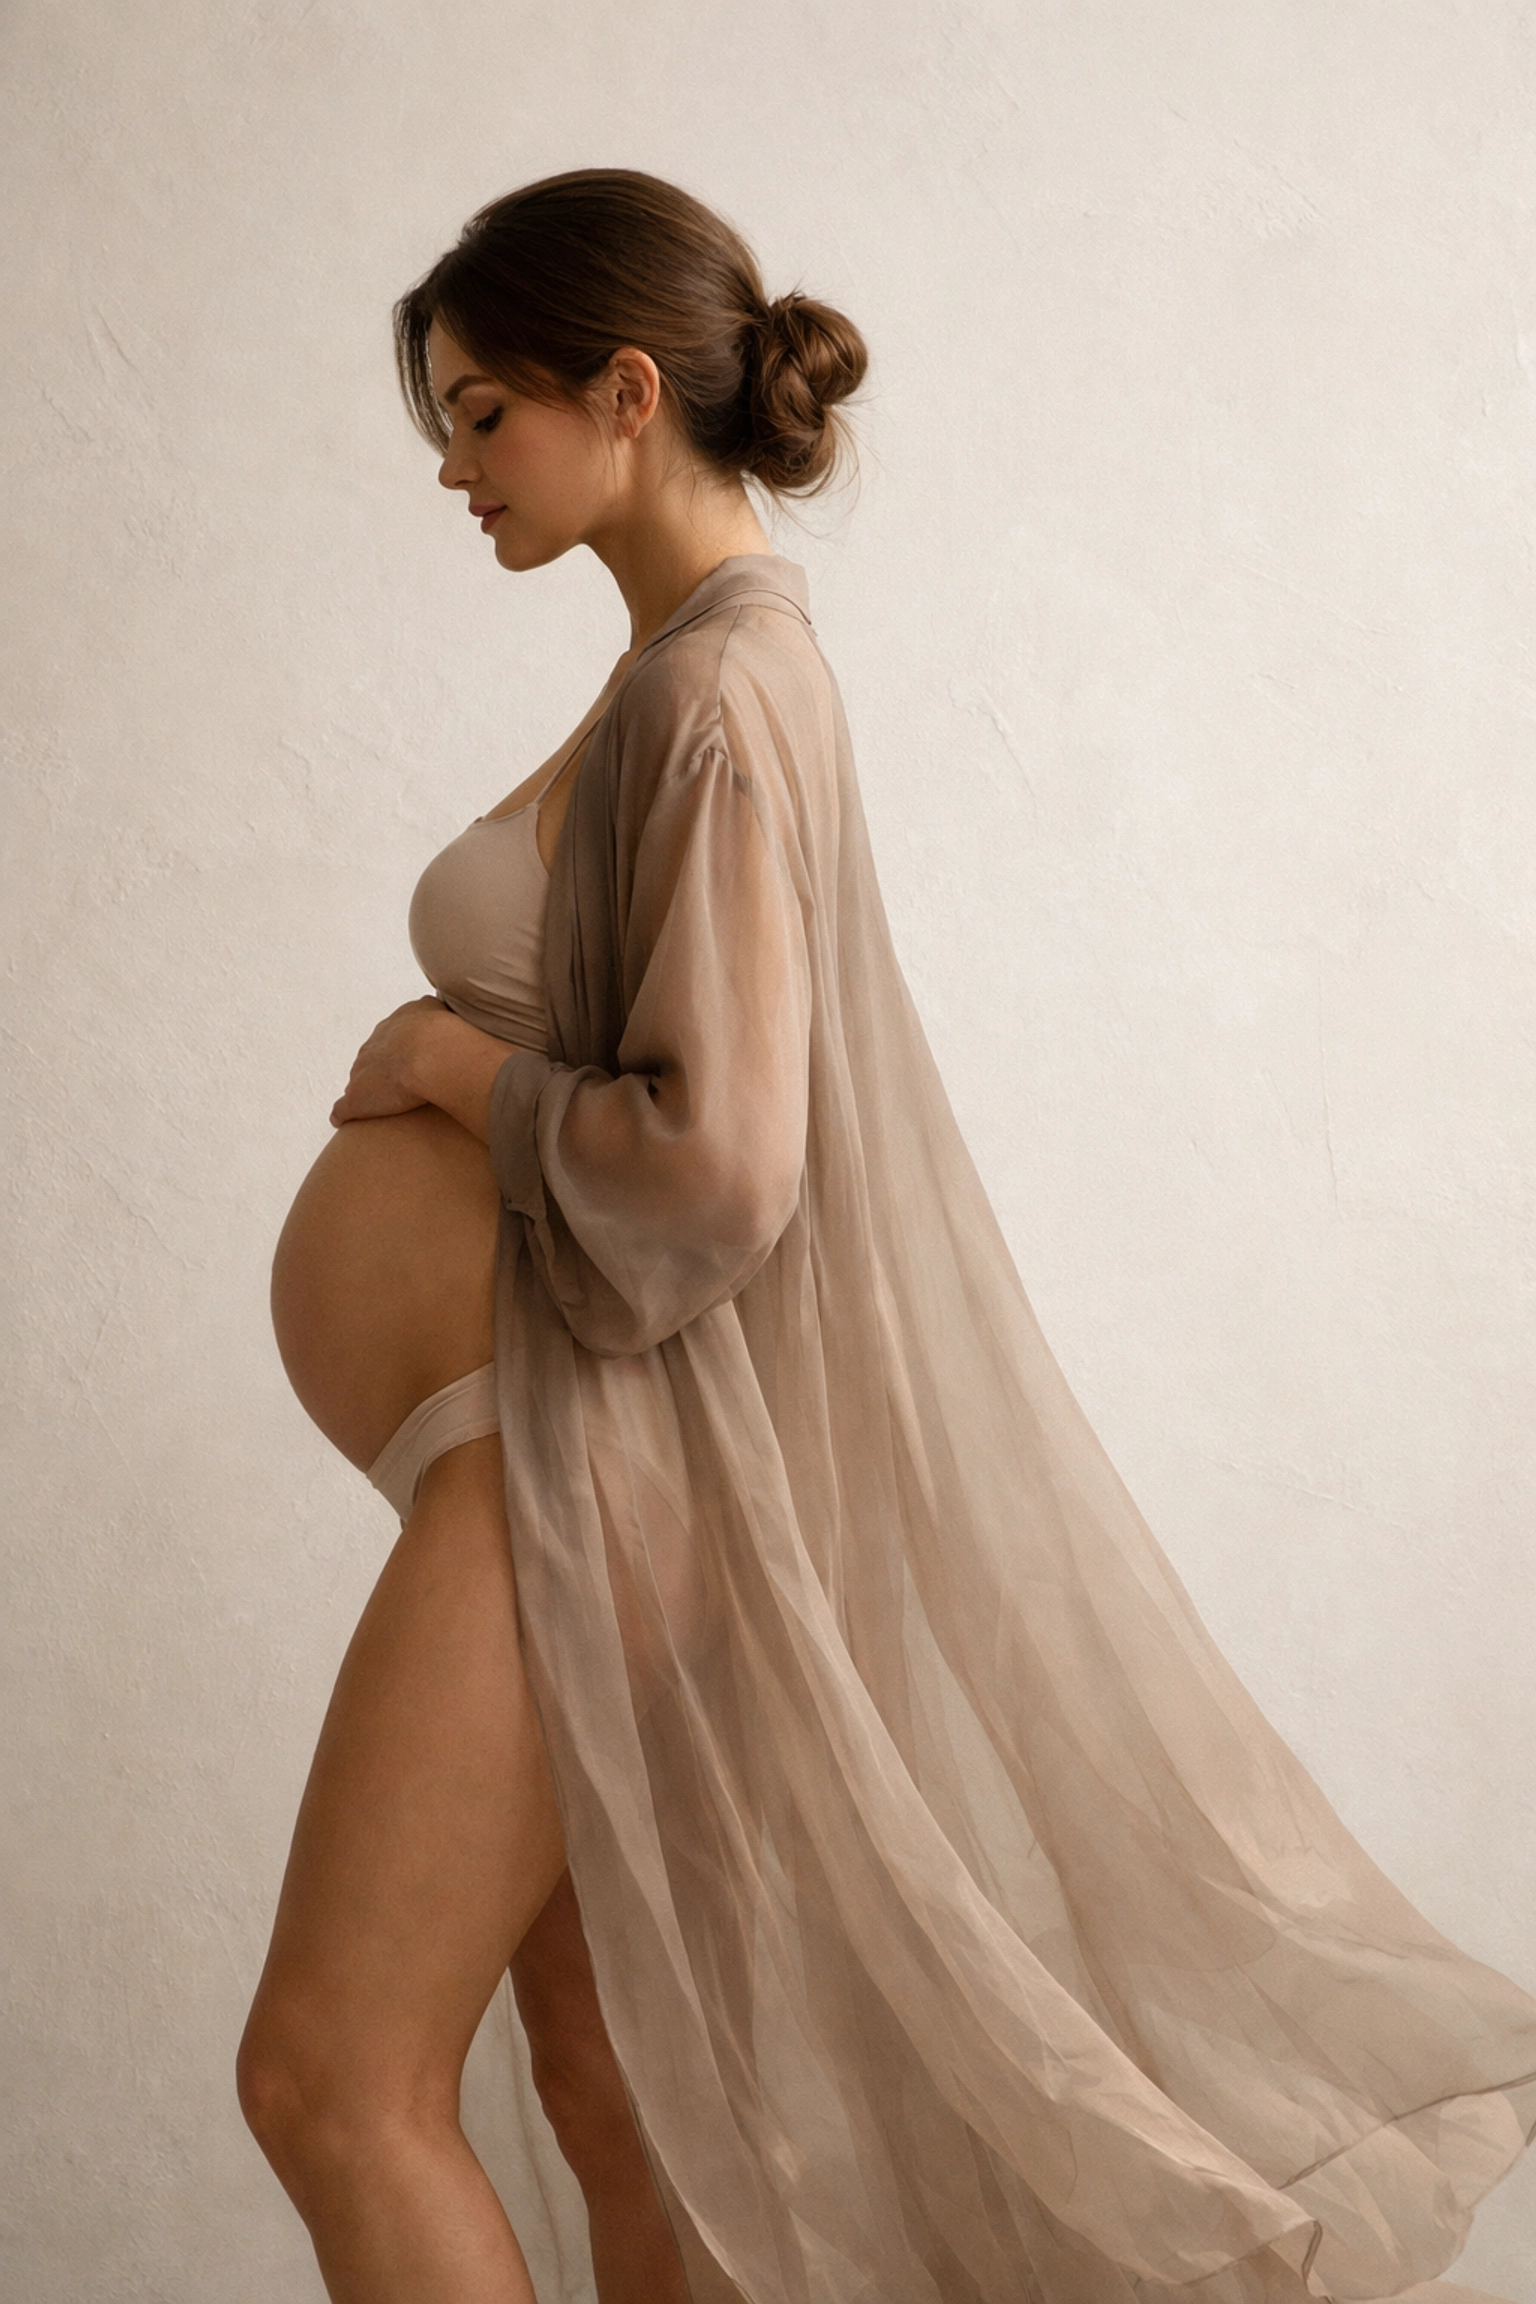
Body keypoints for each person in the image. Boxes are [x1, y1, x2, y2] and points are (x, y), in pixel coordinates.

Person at [237, 169, 1536, 2304]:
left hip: (577, 1465)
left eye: (480, 414)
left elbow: (723, 1169)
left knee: (332, 2082)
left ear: (624, 391)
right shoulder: (693, 667)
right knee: (619, 2089)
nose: (452, 467)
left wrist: (453, 1070)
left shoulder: (718, 696)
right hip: (559, 1456)